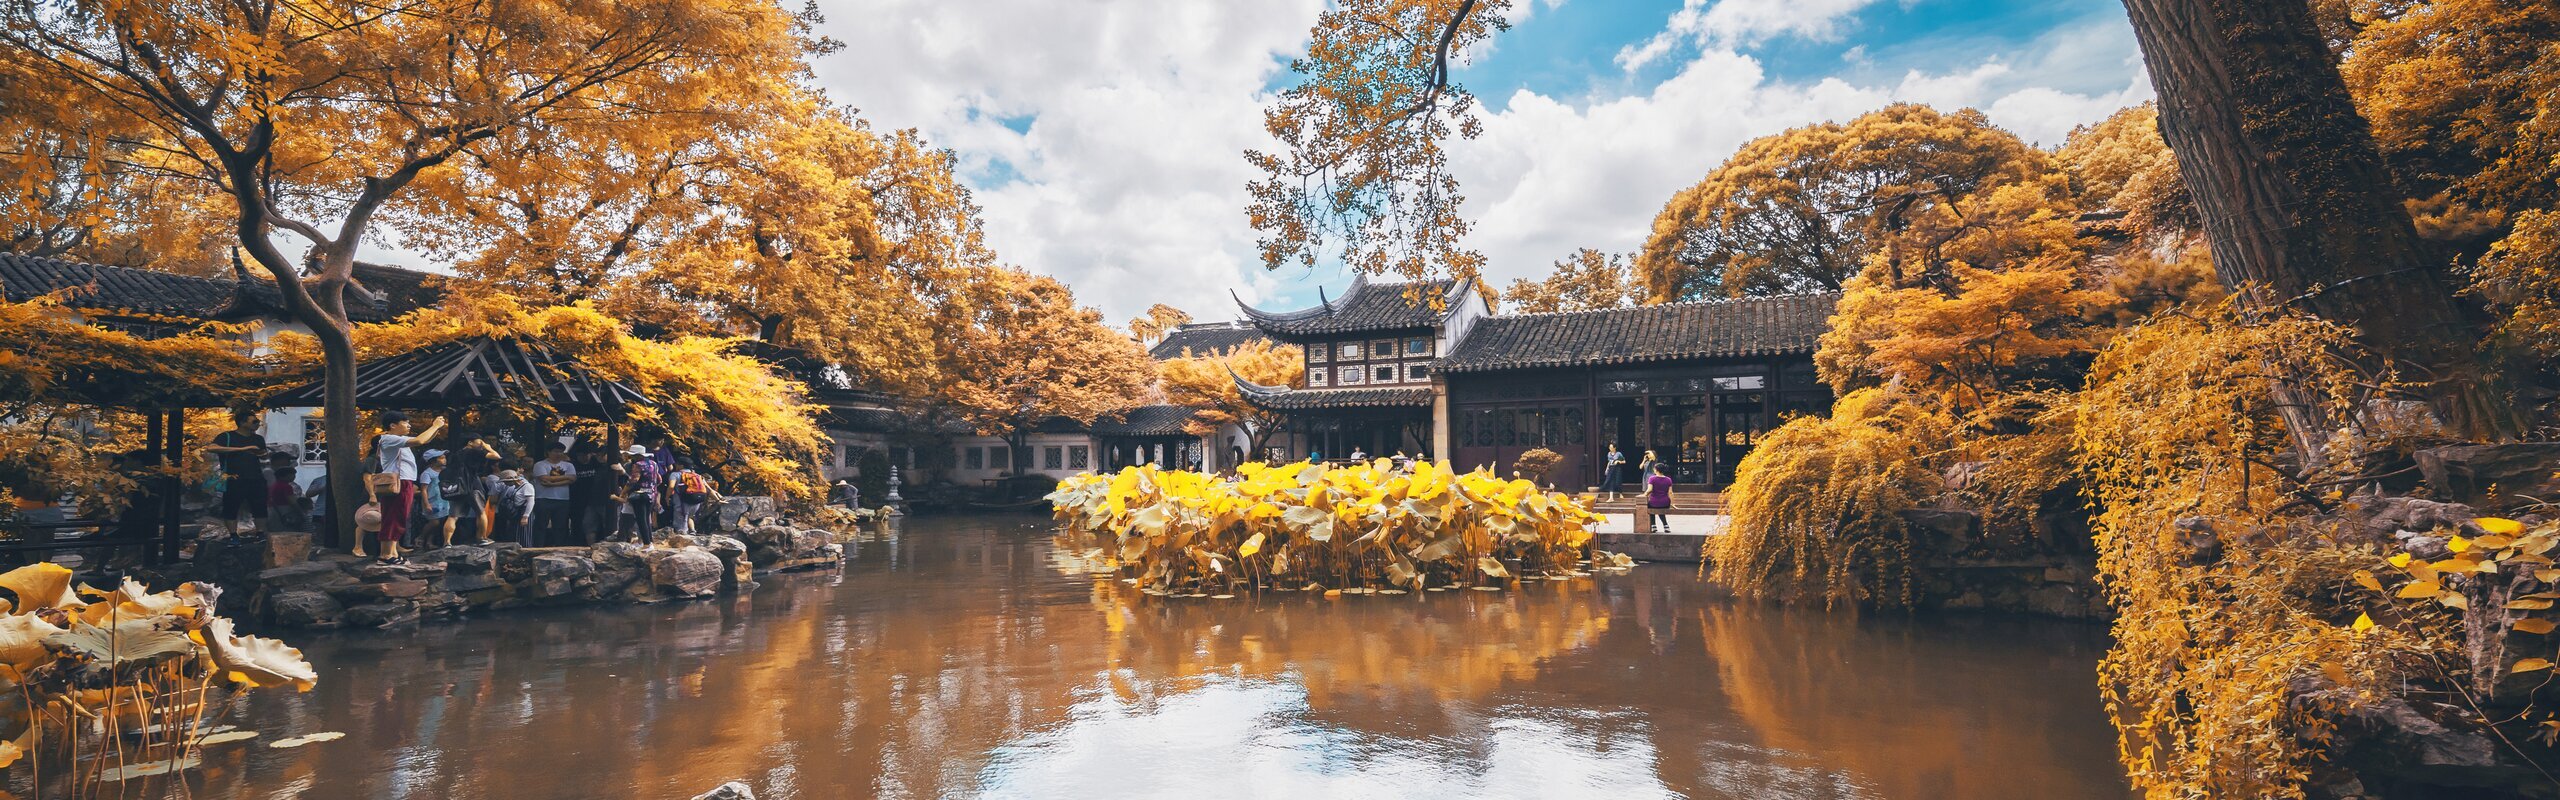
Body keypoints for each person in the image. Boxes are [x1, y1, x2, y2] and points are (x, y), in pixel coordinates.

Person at [368, 411, 444, 562]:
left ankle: (393, 553)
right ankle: (385, 555)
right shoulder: (388, 438)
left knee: (399, 516)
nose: (409, 425)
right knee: (393, 517)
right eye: (405, 422)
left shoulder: (399, 439)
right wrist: (434, 425)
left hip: (404, 481)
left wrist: (436, 428)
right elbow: (420, 441)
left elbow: (424, 440)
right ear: (393, 425)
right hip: (399, 482)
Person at [204, 410, 269, 533]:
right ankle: (233, 535)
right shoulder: (227, 436)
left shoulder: (258, 438)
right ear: (242, 423)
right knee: (231, 508)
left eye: (258, 421)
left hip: (256, 477)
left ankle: (260, 533)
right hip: (233, 478)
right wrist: (243, 449)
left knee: (260, 508)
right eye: (254, 421)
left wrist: (261, 454)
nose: (257, 424)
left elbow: (264, 456)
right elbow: (211, 448)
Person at [446, 435, 499, 546]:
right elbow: (496, 456)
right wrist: (488, 447)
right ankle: (482, 538)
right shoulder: (473, 452)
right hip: (473, 485)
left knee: (453, 515)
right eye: (479, 442)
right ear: (470, 442)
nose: (481, 444)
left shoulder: (456, 454)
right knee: (481, 512)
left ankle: (447, 542)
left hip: (458, 487)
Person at [529, 445, 578, 546]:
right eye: (556, 451)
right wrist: (566, 477)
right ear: (549, 452)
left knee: (561, 526)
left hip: (563, 499)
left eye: (561, 452)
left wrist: (553, 483)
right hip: (543, 498)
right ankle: (538, 547)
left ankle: (560, 547)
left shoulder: (568, 465)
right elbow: (544, 478)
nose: (558, 454)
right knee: (540, 525)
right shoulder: (540, 464)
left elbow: (573, 479)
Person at [617, 444, 662, 543]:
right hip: (651, 494)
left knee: (639, 520)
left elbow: (633, 481)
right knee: (646, 519)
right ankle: (648, 541)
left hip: (639, 495)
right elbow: (659, 480)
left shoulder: (637, 465)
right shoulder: (653, 464)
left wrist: (623, 492)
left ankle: (645, 543)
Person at [666, 458, 715, 537]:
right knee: (689, 517)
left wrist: (667, 497)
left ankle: (683, 539)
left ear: (681, 465)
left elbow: (671, 486)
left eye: (677, 464)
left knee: (681, 525)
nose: (676, 466)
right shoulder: (697, 476)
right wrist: (718, 499)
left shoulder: (675, 474)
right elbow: (708, 489)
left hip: (682, 503)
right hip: (696, 501)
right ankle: (692, 531)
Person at [488, 468, 535, 545]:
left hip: (525, 511)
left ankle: (526, 551)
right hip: (517, 512)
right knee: (516, 534)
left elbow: (531, 501)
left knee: (524, 535)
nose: (504, 484)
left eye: (505, 482)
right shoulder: (516, 488)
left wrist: (525, 516)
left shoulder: (527, 486)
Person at [416, 450, 452, 550]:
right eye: (441, 458)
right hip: (432, 501)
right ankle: (421, 538)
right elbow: (423, 489)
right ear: (433, 460)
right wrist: (426, 504)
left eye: (444, 457)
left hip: (443, 500)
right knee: (434, 522)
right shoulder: (427, 473)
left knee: (440, 522)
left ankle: (429, 542)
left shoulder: (445, 471)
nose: (444, 460)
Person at [265, 452, 305, 532]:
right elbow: (292, 501)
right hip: (282, 509)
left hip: (273, 508)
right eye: (287, 460)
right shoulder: (270, 474)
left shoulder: (278, 484)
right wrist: (300, 512)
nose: (288, 462)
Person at [1644, 464, 1674, 534]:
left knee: (1650, 507)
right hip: (1665, 502)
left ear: (1656, 470)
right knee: (1660, 508)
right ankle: (1666, 526)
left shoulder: (1652, 478)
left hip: (1654, 502)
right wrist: (1672, 503)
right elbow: (1670, 493)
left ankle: (1653, 526)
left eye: (1654, 469)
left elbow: (1649, 490)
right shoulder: (1668, 479)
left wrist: (1644, 494)